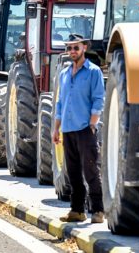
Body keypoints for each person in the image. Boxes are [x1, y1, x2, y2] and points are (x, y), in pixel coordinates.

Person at [53, 33, 105, 224]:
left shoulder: (93, 71)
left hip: (85, 128)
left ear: (85, 47)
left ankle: (98, 210)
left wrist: (93, 123)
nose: (72, 51)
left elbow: (99, 99)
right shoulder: (65, 74)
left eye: (76, 47)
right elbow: (60, 103)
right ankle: (77, 210)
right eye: (69, 48)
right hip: (67, 129)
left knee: (90, 170)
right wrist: (56, 129)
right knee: (72, 171)